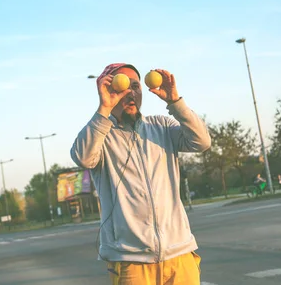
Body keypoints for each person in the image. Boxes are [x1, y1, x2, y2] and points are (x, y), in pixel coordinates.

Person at [70, 63, 211, 285]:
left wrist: (175, 101)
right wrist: (104, 108)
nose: (130, 93)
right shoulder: (101, 137)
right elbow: (83, 157)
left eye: (135, 86)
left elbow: (201, 142)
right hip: (131, 261)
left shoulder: (161, 126)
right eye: (121, 87)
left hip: (179, 253)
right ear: (109, 92)